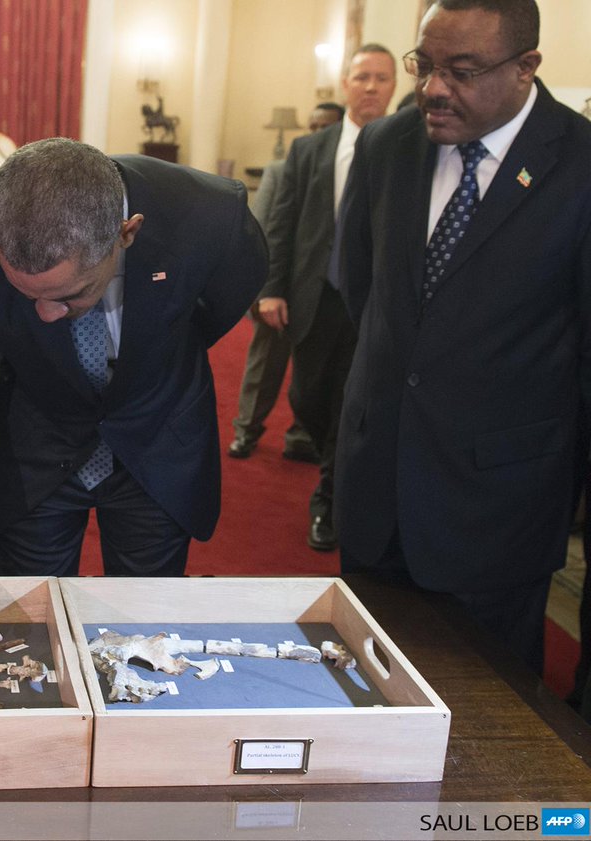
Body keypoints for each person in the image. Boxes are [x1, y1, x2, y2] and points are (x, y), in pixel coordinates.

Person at [0, 138, 267, 667]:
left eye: (70, 296)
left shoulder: (210, 215)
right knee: (32, 641)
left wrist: (153, 351)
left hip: (158, 439)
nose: (46, 315)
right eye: (28, 298)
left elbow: (221, 304)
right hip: (33, 445)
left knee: (147, 641)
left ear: (127, 233)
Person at [334, 0, 591, 674]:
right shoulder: (387, 146)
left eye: (463, 71)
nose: (434, 88)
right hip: (377, 492)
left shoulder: (579, 166)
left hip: (497, 514)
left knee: (488, 729)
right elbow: (361, 291)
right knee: (363, 698)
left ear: (526, 68)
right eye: (425, 65)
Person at [256, 45, 397, 551]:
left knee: (349, 407)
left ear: (395, 86)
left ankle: (331, 503)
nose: (371, 87)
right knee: (307, 398)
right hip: (316, 298)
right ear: (345, 83)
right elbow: (282, 223)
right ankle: (329, 466)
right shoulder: (310, 150)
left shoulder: (412, 147)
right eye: (362, 77)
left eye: (382, 78)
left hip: (375, 308)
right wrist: (271, 288)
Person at [228, 102, 344, 462]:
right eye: (311, 124)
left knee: (316, 372)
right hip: (282, 283)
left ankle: (301, 435)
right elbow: (262, 226)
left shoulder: (355, 168)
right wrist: (264, 288)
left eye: (323, 125)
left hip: (328, 291)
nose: (314, 130)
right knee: (265, 363)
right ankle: (246, 430)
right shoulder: (281, 168)